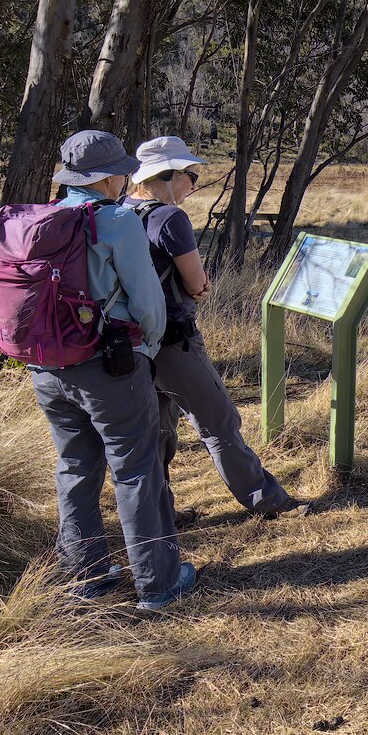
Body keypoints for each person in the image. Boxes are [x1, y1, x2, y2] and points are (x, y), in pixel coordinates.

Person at [28, 130, 197, 612]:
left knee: (76, 467)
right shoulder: (117, 221)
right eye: (122, 170)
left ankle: (87, 574)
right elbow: (148, 303)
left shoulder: (44, 218)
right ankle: (159, 583)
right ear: (107, 178)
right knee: (136, 469)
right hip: (111, 365)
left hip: (47, 367)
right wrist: (150, 345)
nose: (127, 177)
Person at [125, 135, 305, 521]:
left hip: (132, 343)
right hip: (174, 341)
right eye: (190, 175)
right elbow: (196, 283)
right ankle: (267, 500)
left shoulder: (120, 211)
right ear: (167, 176)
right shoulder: (169, 217)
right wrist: (199, 286)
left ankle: (160, 513)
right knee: (219, 422)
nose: (193, 184)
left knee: (156, 430)